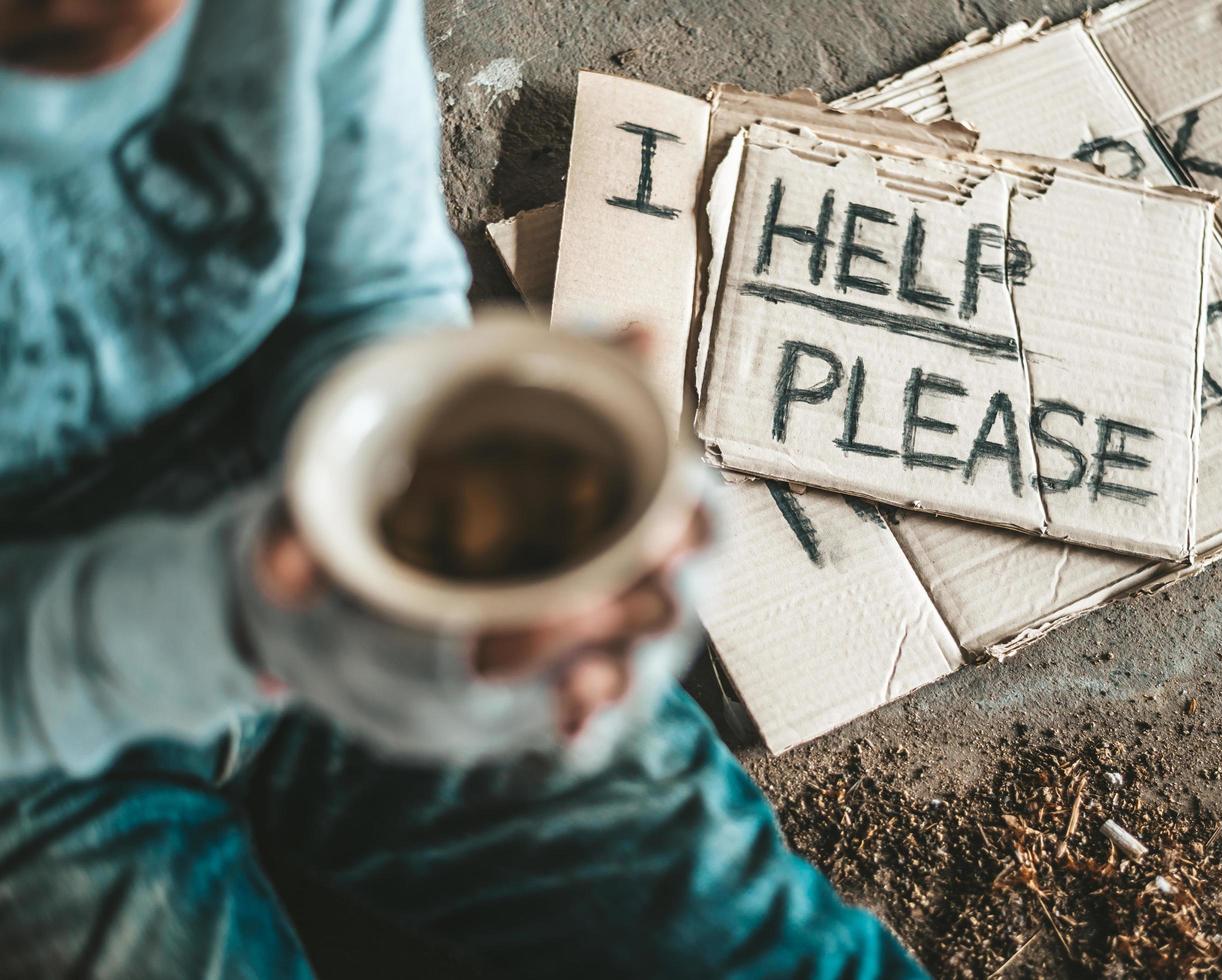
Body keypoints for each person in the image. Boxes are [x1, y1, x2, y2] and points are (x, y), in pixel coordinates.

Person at [0, 0, 927, 976]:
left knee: (761, 944)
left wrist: (477, 538)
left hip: (300, 534)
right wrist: (232, 618)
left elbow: (368, 295)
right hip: (32, 748)